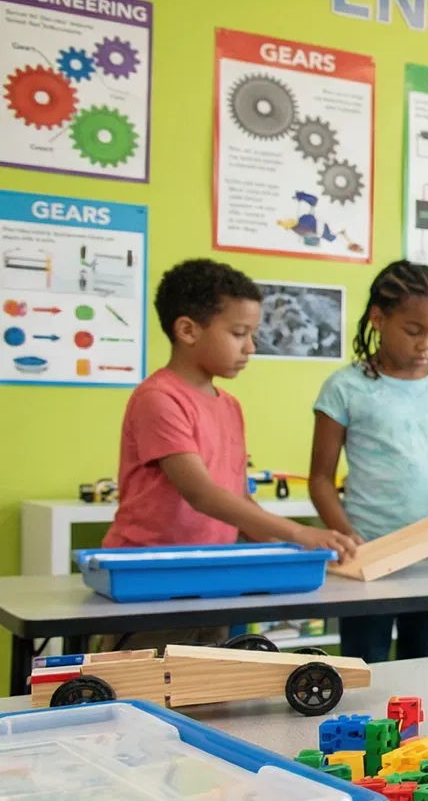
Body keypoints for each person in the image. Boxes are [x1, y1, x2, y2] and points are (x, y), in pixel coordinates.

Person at [102, 259, 358, 650]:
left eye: (252, 334)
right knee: (149, 691)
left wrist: (300, 551)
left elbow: (236, 498)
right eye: (239, 333)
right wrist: (299, 531)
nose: (251, 347)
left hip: (212, 577)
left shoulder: (229, 405)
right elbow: (202, 494)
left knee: (207, 696)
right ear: (187, 330)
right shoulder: (158, 398)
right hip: (151, 581)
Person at [309, 260, 428, 662]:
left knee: (425, 663)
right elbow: (320, 479)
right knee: (365, 664)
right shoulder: (344, 387)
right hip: (369, 555)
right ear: (378, 319)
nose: (427, 344)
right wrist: (349, 537)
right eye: (414, 331)